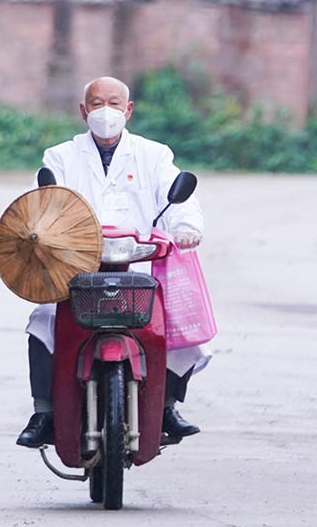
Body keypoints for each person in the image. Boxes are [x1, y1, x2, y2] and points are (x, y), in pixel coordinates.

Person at [16, 75, 208, 448]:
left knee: (176, 321)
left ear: (128, 109)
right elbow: (41, 199)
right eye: (97, 103)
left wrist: (187, 228)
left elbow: (179, 200)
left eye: (114, 103)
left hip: (139, 264)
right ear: (83, 110)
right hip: (76, 267)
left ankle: (166, 405)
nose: (106, 111)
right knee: (43, 320)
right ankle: (44, 412)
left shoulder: (154, 155)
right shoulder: (60, 157)